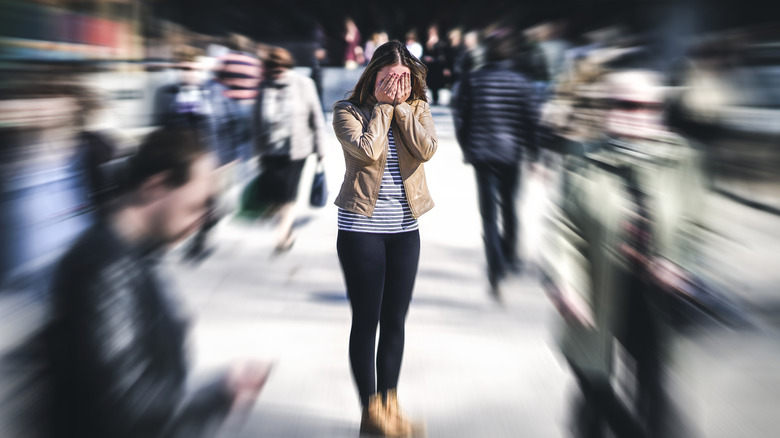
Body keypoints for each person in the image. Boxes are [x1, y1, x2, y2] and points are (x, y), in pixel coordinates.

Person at [44, 127, 272, 438]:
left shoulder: (134, 255)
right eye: (197, 205)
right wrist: (222, 392)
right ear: (156, 186)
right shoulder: (104, 270)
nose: (204, 219)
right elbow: (129, 409)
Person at [332, 41, 437, 437]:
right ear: (373, 75)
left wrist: (402, 109)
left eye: (404, 78)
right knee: (367, 320)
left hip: (405, 231)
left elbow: (426, 149)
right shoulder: (348, 111)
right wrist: (382, 108)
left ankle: (390, 405)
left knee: (395, 320)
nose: (397, 85)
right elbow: (368, 151)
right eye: (390, 78)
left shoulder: (418, 109)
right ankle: (370, 411)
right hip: (361, 230)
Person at [452, 32, 538, 299]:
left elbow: (461, 117)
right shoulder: (521, 82)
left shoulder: (473, 80)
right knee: (510, 206)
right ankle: (509, 256)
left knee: (488, 215)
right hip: (511, 154)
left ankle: (495, 267)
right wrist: (534, 153)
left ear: (487, 53)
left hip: (483, 154)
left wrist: (467, 146)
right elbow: (531, 119)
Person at [254, 47, 326, 253]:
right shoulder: (264, 86)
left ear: (288, 67)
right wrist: (256, 150)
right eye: (273, 70)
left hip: (297, 150)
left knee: (288, 193)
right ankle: (286, 228)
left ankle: (282, 235)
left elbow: (316, 117)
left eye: (280, 69)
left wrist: (320, 148)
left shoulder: (304, 84)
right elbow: (256, 120)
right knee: (277, 194)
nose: (277, 73)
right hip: (270, 150)